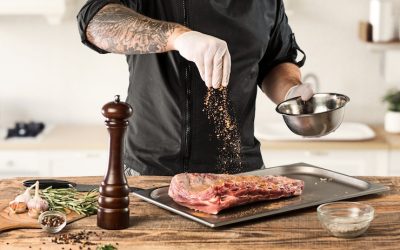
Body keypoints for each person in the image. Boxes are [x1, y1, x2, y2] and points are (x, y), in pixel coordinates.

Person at [77, 0, 313, 176]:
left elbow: (277, 61)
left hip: (241, 171)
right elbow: (95, 23)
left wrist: (291, 94)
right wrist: (179, 38)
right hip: (151, 172)